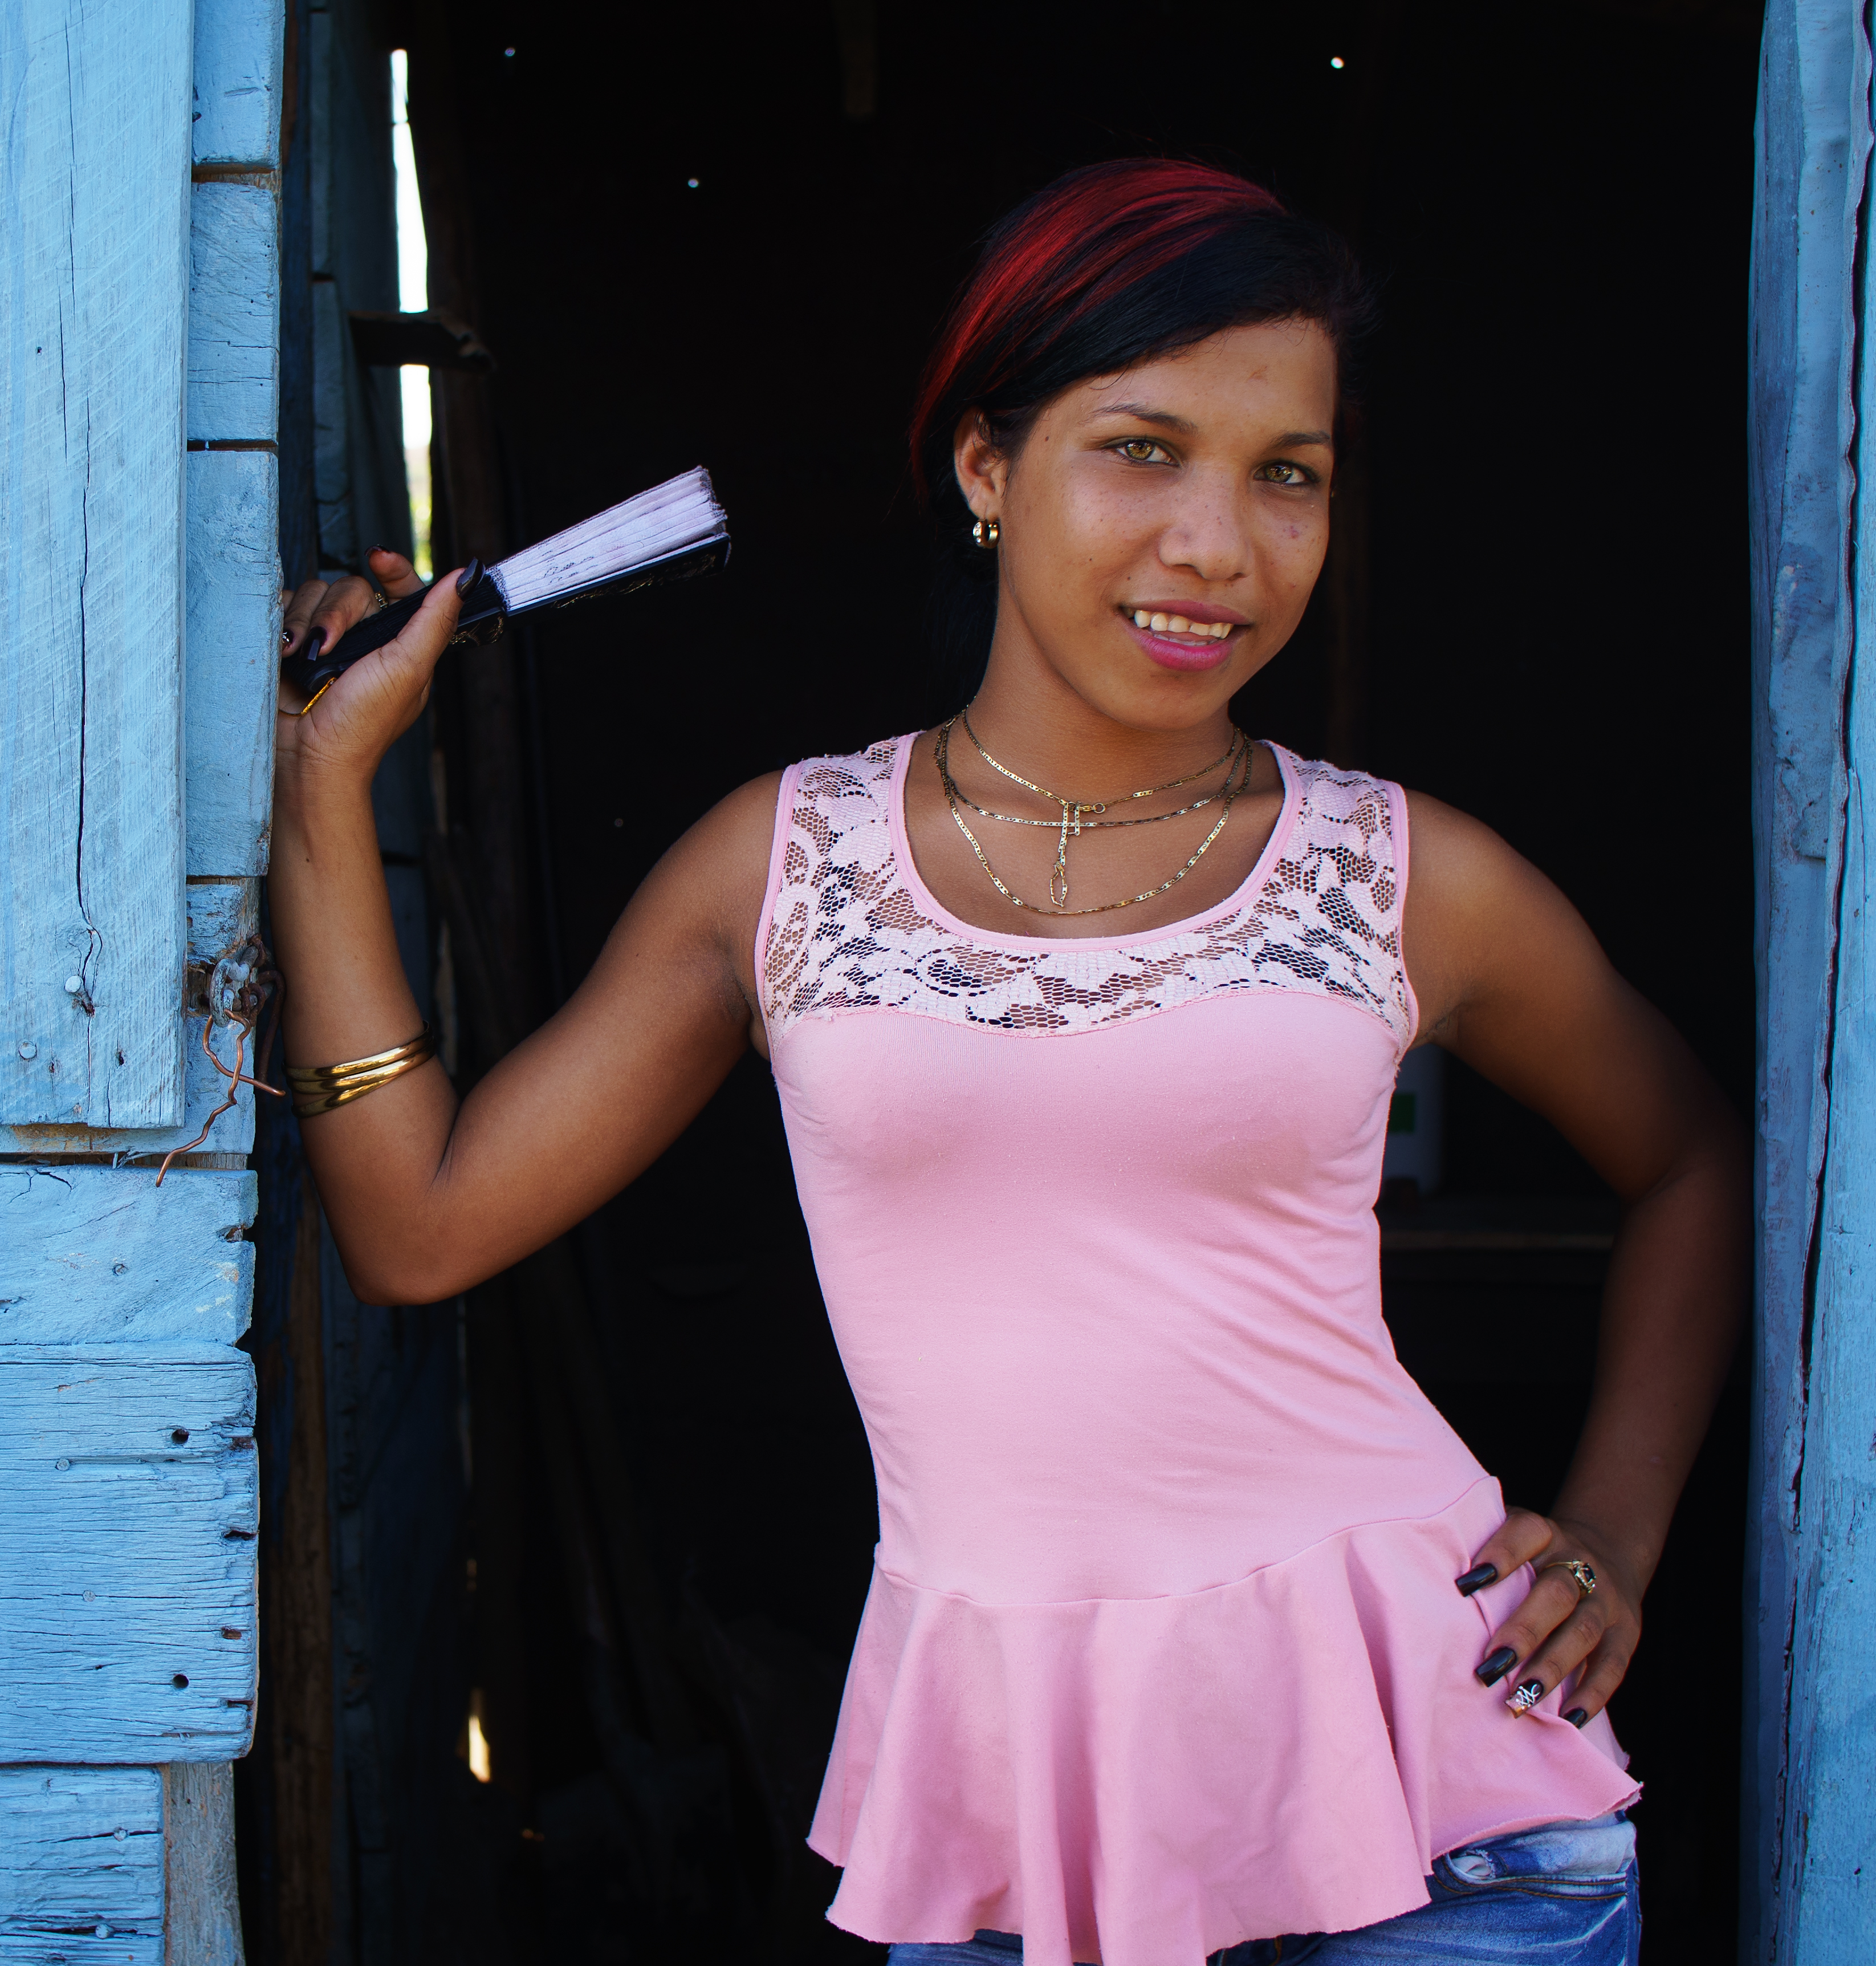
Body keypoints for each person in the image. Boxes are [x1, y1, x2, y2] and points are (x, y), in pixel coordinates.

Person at [264, 159, 1743, 1966]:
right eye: (1143, 448)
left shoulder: (1409, 875)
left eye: (1289, 475)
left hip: (1433, 1821)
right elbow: (420, 1228)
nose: (1219, 544)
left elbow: (1692, 1157)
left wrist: (1614, 1528)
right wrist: (327, 791)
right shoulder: (786, 864)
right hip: (1015, 1843)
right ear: (986, 468)